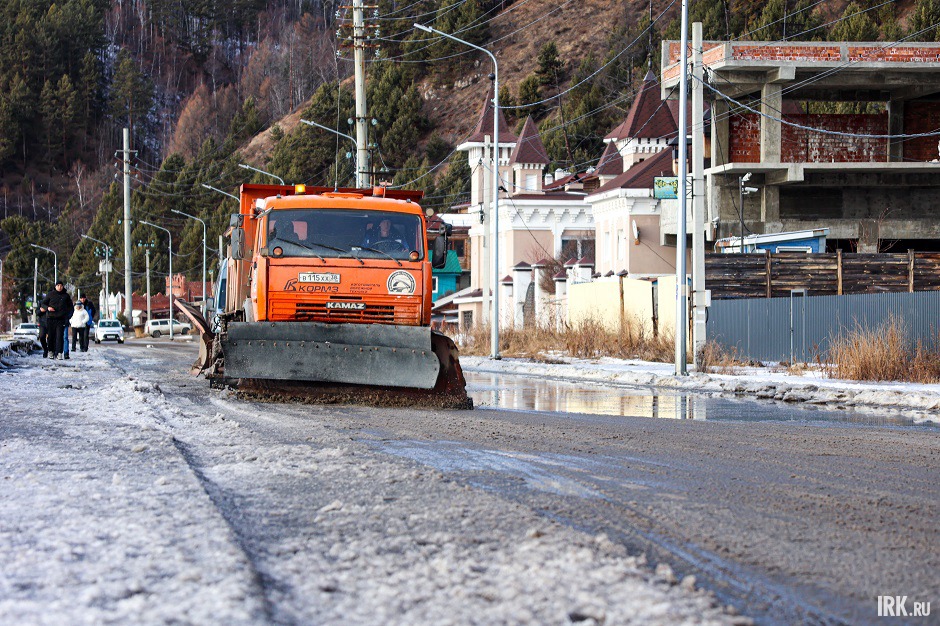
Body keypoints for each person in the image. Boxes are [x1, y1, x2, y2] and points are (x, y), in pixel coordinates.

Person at [41, 281, 73, 360]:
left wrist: (67, 316)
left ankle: (59, 353)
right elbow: (43, 304)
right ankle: (51, 351)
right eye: (58, 285)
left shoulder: (66, 296)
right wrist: (48, 308)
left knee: (60, 336)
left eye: (61, 285)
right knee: (51, 336)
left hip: (61, 319)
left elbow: (71, 308)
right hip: (51, 318)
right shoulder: (50, 294)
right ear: (55, 286)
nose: (59, 287)